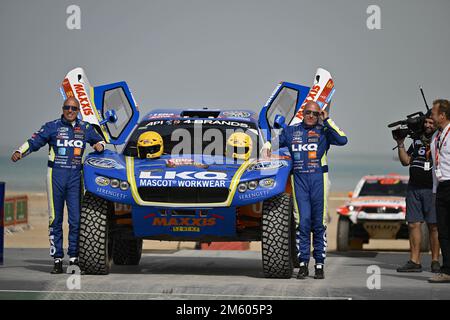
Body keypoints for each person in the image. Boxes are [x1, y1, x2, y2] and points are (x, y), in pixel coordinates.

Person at [11, 97, 105, 274]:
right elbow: (34, 142)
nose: (70, 111)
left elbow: (99, 141)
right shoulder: (52, 126)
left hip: (76, 178)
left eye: (74, 108)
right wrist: (19, 152)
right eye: (67, 108)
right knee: (55, 219)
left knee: (76, 220)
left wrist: (99, 145)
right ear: (62, 109)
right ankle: (57, 259)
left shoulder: (85, 128)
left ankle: (74, 258)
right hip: (55, 176)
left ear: (78, 111)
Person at [262, 101, 348, 279]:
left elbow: (342, 139)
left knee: (319, 223)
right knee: (302, 223)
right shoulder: (292, 131)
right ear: (302, 113)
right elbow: (274, 143)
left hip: (319, 181)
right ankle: (302, 264)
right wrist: (268, 145)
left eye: (315, 114)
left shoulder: (324, 130)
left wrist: (328, 120)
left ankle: (319, 264)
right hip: (299, 180)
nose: (311, 116)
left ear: (320, 115)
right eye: (308, 112)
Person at [395, 115, 440, 273]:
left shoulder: (440, 140)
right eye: (426, 122)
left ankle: (435, 260)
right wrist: (400, 144)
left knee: (434, 226)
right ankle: (415, 261)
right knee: (413, 224)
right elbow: (405, 161)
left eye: (431, 123)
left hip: (433, 189)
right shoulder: (416, 140)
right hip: (414, 188)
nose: (427, 125)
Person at [429, 99, 450, 283]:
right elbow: (436, 164)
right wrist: (435, 190)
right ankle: (447, 270)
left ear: (442, 116)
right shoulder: (435, 137)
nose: (432, 116)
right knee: (443, 230)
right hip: (442, 188)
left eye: (434, 114)